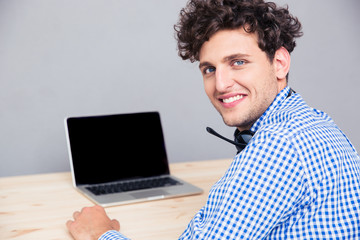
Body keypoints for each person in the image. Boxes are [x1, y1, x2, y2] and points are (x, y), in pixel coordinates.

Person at [66, 0, 360, 239]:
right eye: (209, 69)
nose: (220, 84)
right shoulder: (313, 123)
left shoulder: (279, 145)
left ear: (279, 63)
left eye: (238, 63)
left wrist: (101, 234)